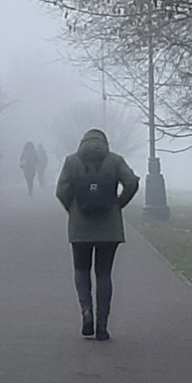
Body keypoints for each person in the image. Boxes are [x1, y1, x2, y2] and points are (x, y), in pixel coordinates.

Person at [55, 128, 139, 340]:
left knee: (81, 269)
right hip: (109, 228)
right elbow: (132, 183)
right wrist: (118, 204)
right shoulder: (115, 160)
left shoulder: (71, 161)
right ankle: (102, 326)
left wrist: (73, 209)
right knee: (104, 274)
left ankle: (86, 311)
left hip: (80, 227)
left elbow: (61, 190)